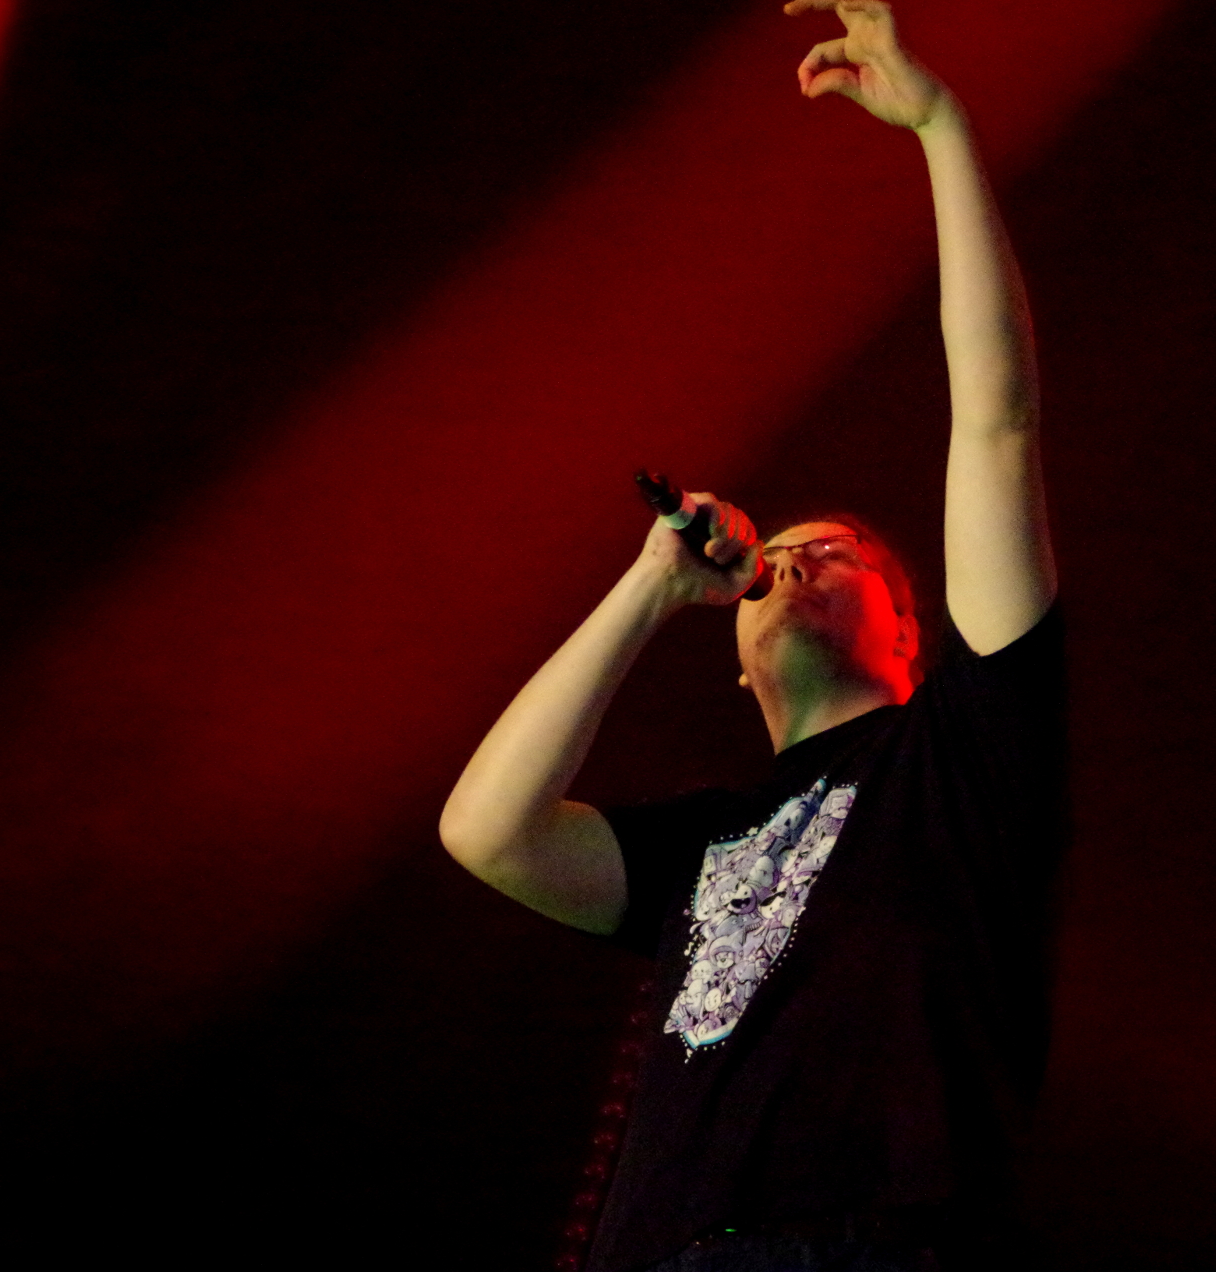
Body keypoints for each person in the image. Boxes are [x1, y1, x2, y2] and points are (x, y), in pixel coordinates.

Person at [439, 3, 1062, 1267]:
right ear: (735, 660)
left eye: (840, 556)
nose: (797, 562)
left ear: (909, 629)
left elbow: (996, 423)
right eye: (785, 550)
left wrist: (940, 126)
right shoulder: (706, 839)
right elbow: (487, 831)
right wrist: (649, 588)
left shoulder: (963, 758)